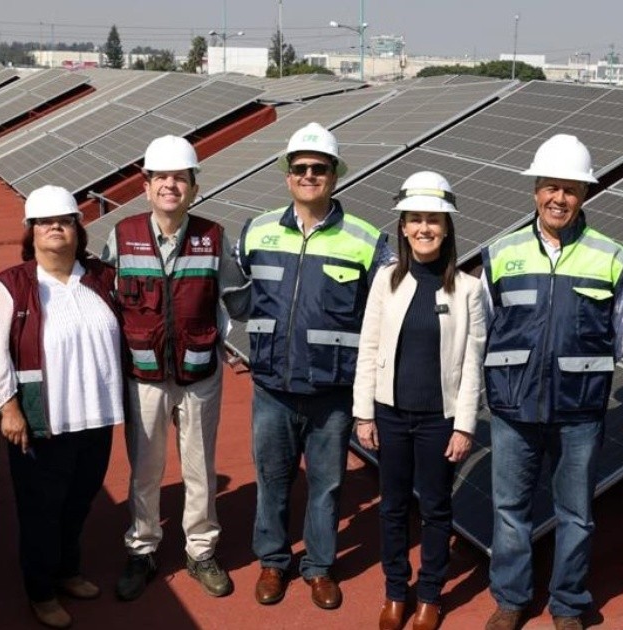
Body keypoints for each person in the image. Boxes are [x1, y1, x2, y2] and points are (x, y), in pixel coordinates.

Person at [481, 135, 623, 630]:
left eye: (570, 189)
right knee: (510, 510)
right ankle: (511, 599)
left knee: (576, 513)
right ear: (535, 190)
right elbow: (483, 330)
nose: (559, 198)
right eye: (550, 187)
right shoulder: (500, 253)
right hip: (513, 410)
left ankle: (568, 604)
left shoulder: (613, 258)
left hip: (580, 412)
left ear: (585, 193)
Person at [237, 122, 393, 610]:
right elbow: (232, 295)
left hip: (332, 392)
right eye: (300, 168)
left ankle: (320, 567)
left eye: (319, 168)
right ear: (288, 175)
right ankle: (273, 561)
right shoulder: (256, 230)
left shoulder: (367, 240)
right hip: (272, 388)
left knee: (327, 486)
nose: (309, 175)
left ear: (334, 175)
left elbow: (387, 313)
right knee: (272, 481)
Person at [100, 135, 251, 601]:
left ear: (194, 187)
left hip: (199, 375)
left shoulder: (215, 237)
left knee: (200, 468)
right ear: (145, 186)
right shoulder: (121, 236)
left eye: (180, 178)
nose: (170, 185)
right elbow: (104, 301)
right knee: (145, 469)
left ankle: (201, 551)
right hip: (143, 376)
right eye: (161, 177)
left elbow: (239, 300)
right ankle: (143, 549)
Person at [0, 186, 124, 628]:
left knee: (79, 502)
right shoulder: (9, 287)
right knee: (41, 510)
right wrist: (8, 408)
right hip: (43, 422)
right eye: (45, 222)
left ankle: (67, 571)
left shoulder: (102, 279)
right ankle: (40, 591)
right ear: (31, 231)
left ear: (78, 229)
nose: (56, 228)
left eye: (65, 220)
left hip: (96, 417)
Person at [353, 172, 486, 630]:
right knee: (391, 507)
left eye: (433, 220)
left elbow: (472, 363)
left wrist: (464, 425)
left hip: (439, 421)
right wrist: (364, 414)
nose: (424, 228)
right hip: (389, 415)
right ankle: (396, 591)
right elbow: (368, 347)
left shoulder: (468, 289)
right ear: (403, 227)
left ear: (447, 228)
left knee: (435, 508)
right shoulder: (385, 281)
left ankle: (429, 594)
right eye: (415, 219)